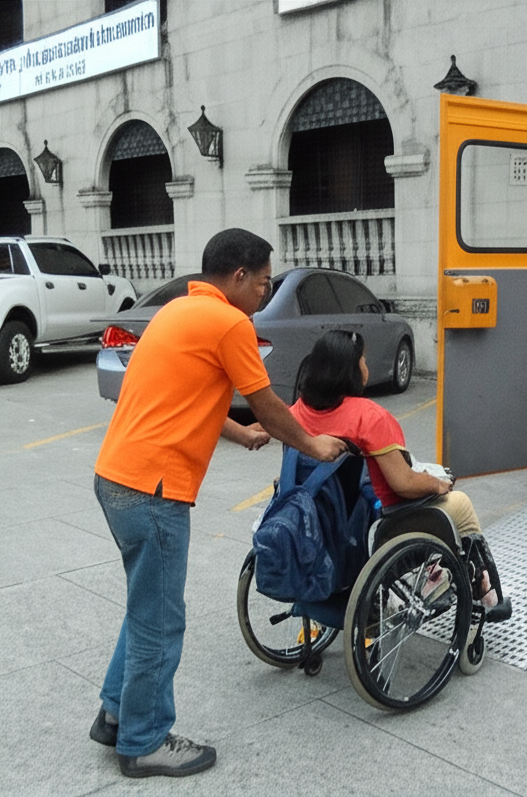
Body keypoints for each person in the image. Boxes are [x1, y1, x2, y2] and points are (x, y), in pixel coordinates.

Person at [90, 228, 348, 779]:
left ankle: (116, 714)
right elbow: (270, 405)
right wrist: (312, 443)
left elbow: (182, 397)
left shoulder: (178, 313)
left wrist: (239, 434)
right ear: (237, 277)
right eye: (262, 282)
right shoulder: (231, 322)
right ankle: (144, 741)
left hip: (116, 477)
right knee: (161, 619)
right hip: (153, 490)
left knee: (146, 605)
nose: (263, 292)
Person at [288, 329, 507, 611]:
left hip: (323, 516)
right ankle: (482, 591)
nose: (366, 366)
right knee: (460, 504)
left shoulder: (300, 411)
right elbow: (402, 484)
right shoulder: (369, 417)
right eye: (363, 360)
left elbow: (267, 427)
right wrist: (436, 484)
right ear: (351, 370)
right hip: (386, 521)